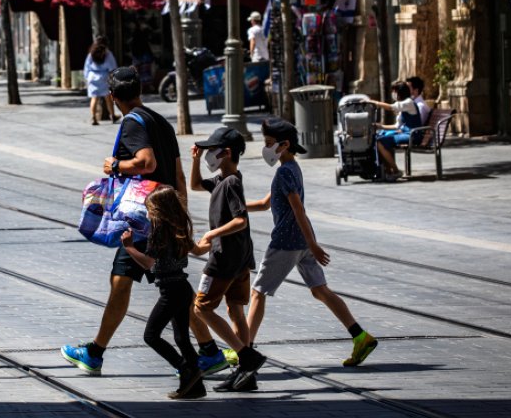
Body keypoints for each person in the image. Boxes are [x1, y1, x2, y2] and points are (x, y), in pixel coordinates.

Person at [61, 66, 187, 375]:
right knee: (171, 286)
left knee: (143, 284)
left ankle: (95, 353)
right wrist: (181, 214)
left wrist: (116, 164)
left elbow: (147, 162)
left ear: (112, 97)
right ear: (140, 91)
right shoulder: (160, 120)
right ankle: (210, 351)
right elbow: (178, 174)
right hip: (166, 211)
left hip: (144, 216)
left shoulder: (132, 122)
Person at [246, 118, 378, 367]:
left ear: (284, 145)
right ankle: (360, 336)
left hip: (287, 242)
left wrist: (314, 245)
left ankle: (244, 347)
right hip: (302, 241)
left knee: (257, 292)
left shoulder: (285, 172)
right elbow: (265, 203)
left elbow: (298, 210)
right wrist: (235, 208)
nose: (266, 148)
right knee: (320, 290)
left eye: (269, 143)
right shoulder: (292, 167)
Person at [188, 127, 266, 392]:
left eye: (212, 150)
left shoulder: (231, 182)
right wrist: (196, 160)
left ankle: (245, 356)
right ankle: (247, 374)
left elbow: (240, 220)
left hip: (224, 257)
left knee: (201, 308)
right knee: (235, 310)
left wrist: (212, 233)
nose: (209, 154)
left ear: (227, 152)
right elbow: (195, 185)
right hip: (240, 257)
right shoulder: (223, 179)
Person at [121, 186, 208, 399]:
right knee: (181, 338)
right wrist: (212, 239)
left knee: (151, 336)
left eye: (149, 209)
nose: (148, 213)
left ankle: (185, 368)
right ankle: (195, 386)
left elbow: (149, 263)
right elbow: (196, 250)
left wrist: (129, 247)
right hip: (182, 287)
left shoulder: (159, 230)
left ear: (159, 210)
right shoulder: (179, 227)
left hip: (170, 290)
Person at [364, 78, 431, 181]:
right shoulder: (404, 104)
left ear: (399, 93)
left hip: (412, 135)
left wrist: (374, 103)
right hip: (406, 133)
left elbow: (391, 107)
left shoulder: (408, 102)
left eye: (394, 92)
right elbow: (397, 126)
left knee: (380, 142)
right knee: (379, 137)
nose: (393, 94)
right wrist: (380, 126)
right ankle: (387, 169)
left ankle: (395, 170)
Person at [83, 36, 119, 125]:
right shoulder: (107, 53)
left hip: (92, 77)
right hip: (104, 77)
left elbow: (86, 67)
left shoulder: (91, 53)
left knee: (94, 98)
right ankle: (113, 115)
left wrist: (87, 77)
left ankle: (94, 118)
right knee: (108, 98)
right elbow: (112, 67)